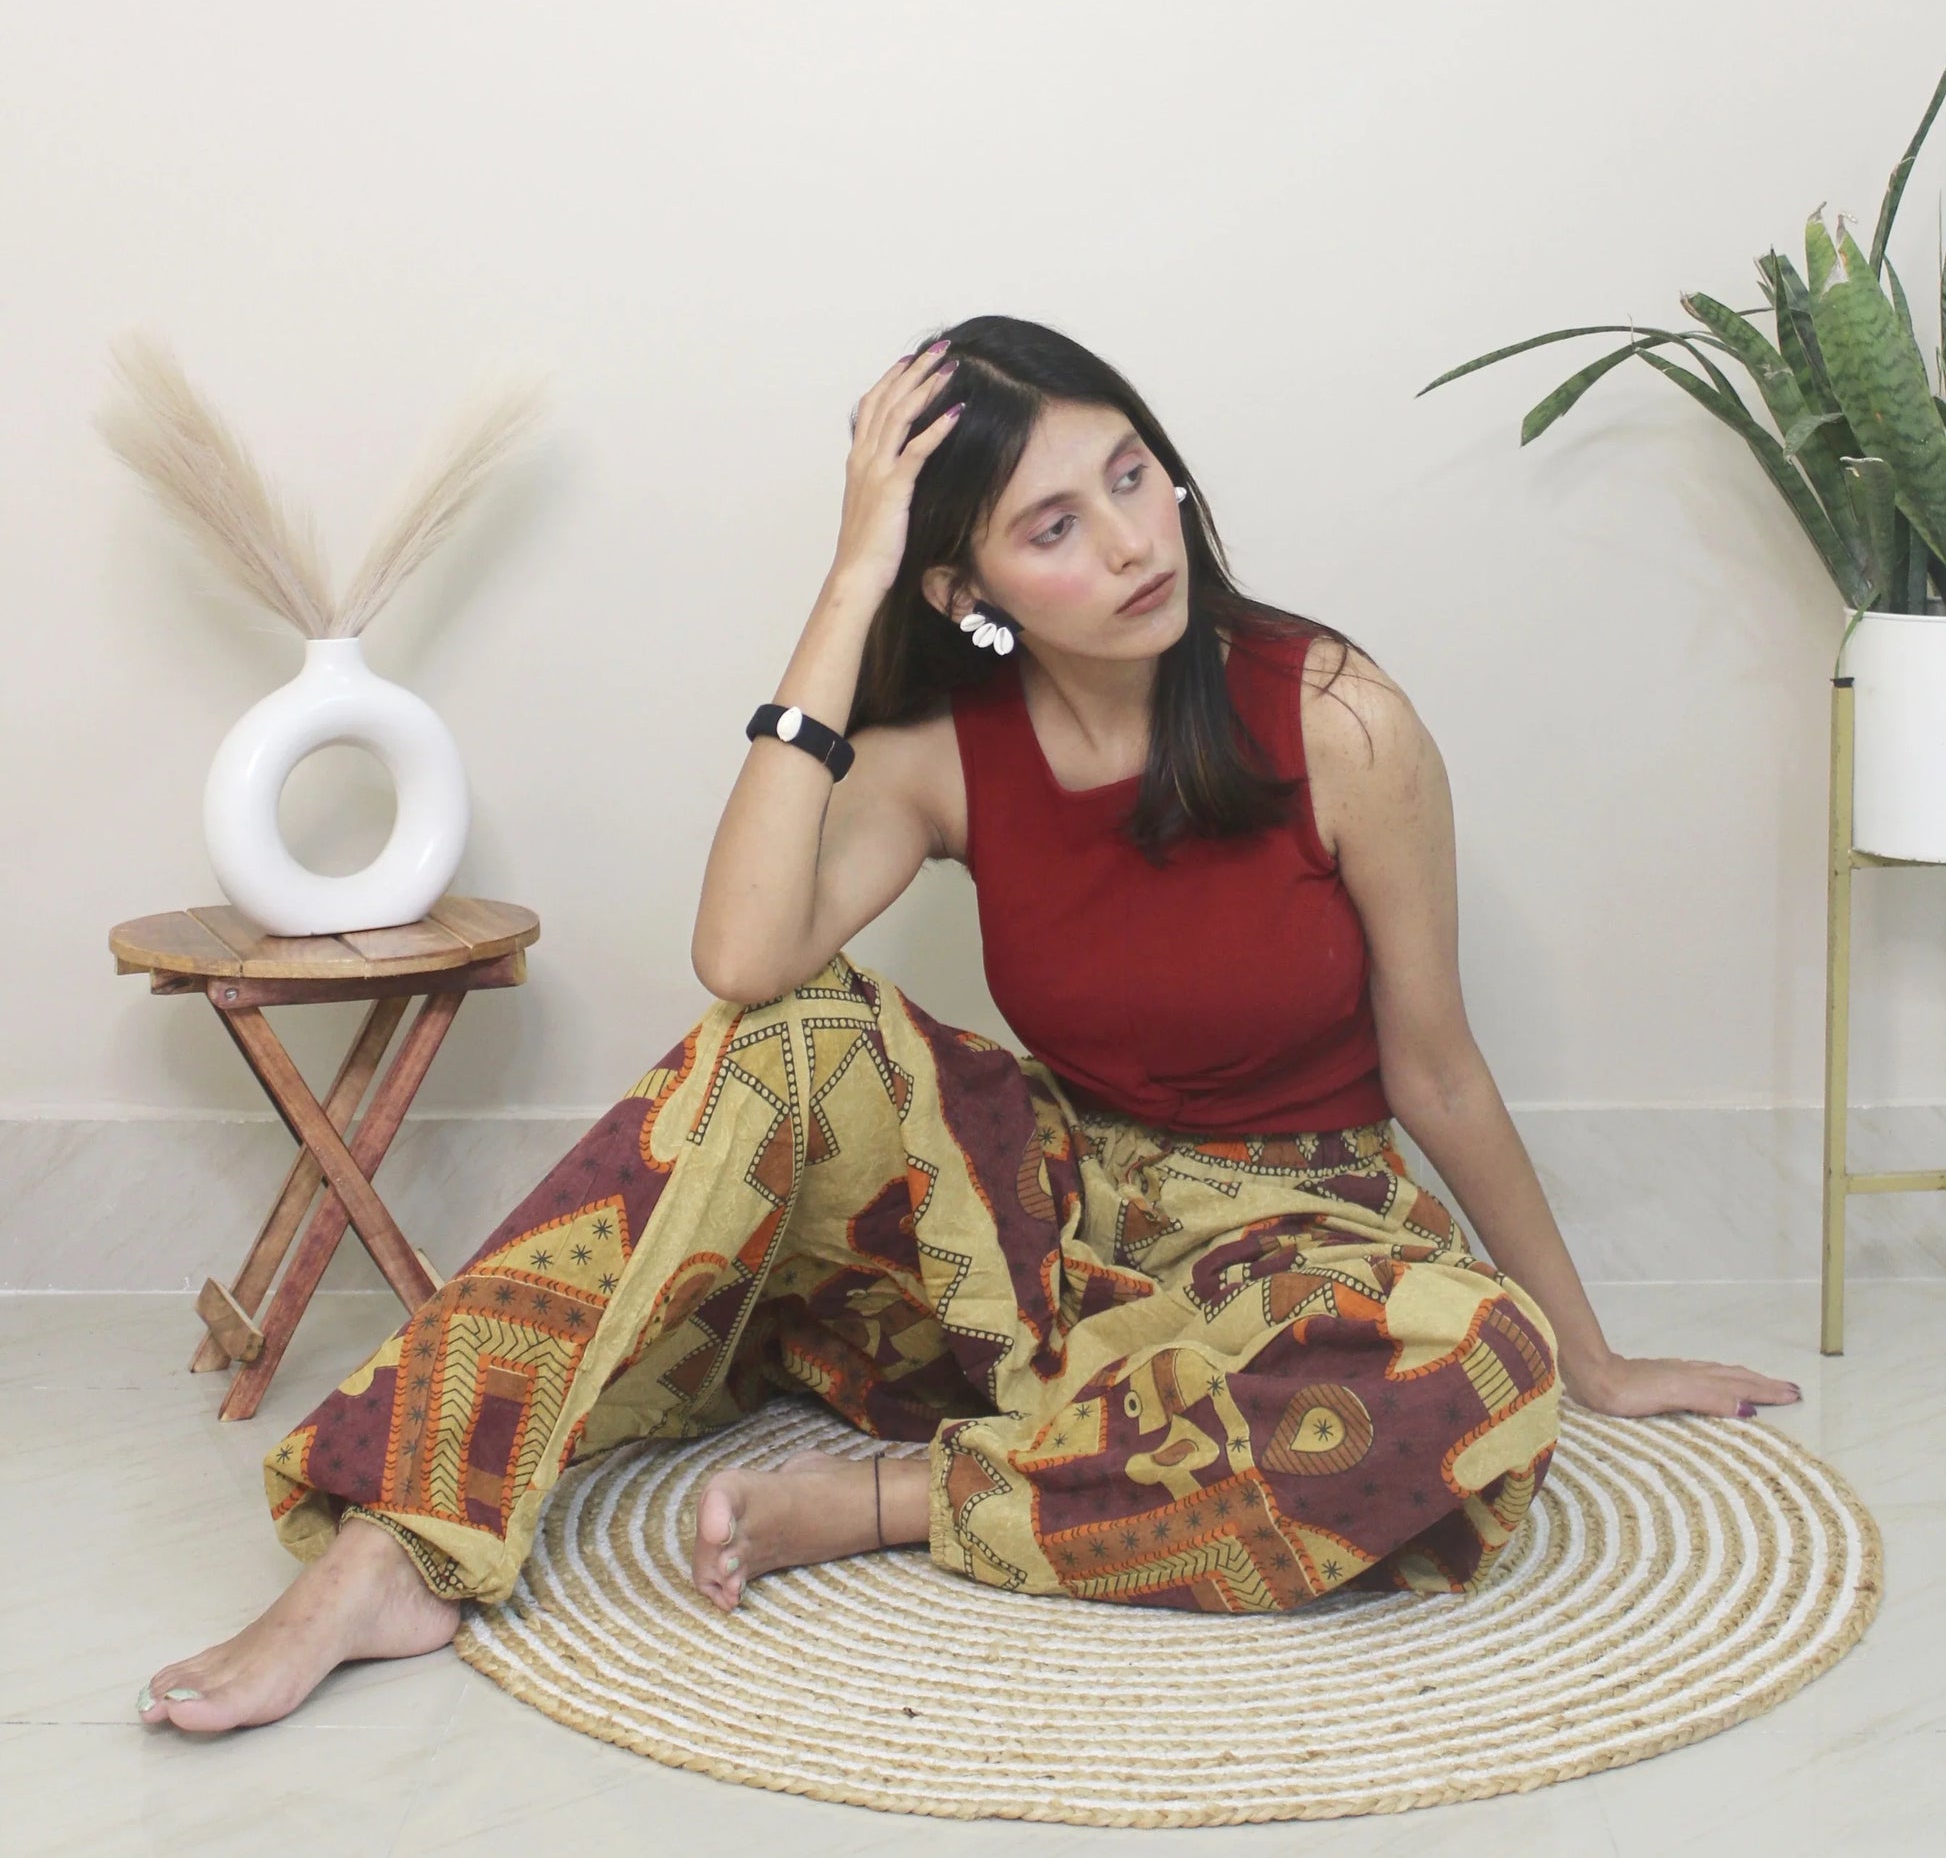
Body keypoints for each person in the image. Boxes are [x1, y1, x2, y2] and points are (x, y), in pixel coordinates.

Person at [139, 314, 1800, 1733]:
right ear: (964, 582)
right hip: (1047, 1228)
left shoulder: (1337, 716)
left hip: (1298, 1235)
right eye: (1053, 525)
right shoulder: (944, 752)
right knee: (786, 1034)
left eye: (1133, 476)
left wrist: (1589, 1352)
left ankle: (898, 1496)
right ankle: (395, 1545)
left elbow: (1435, 1063)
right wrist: (848, 579)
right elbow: (740, 957)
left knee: (1477, 1369)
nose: (1132, 542)